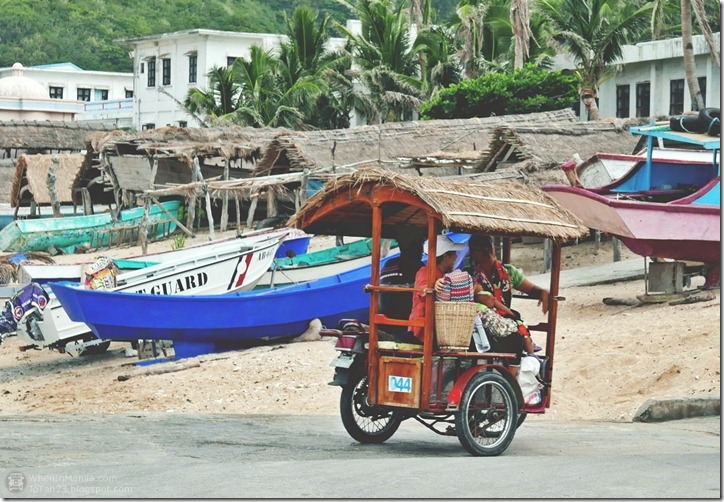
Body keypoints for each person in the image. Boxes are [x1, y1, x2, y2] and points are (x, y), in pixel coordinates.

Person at [467, 234, 550, 375]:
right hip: (480, 326)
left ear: (493, 247)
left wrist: (543, 292)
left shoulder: (508, 272)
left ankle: (512, 380)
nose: (486, 250)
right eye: (480, 248)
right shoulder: (468, 275)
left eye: (488, 245)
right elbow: (487, 301)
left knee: (516, 335)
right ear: (472, 252)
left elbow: (531, 289)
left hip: (504, 323)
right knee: (515, 335)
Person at [408, 234, 466, 343]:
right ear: (445, 256)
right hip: (422, 333)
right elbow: (423, 288)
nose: (456, 257)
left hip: (438, 329)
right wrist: (434, 286)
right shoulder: (425, 272)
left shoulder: (447, 275)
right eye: (454, 254)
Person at [378, 227, 426, 335]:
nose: (422, 250)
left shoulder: (389, 263)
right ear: (413, 247)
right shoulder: (417, 267)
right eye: (421, 245)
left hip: (384, 320)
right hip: (404, 324)